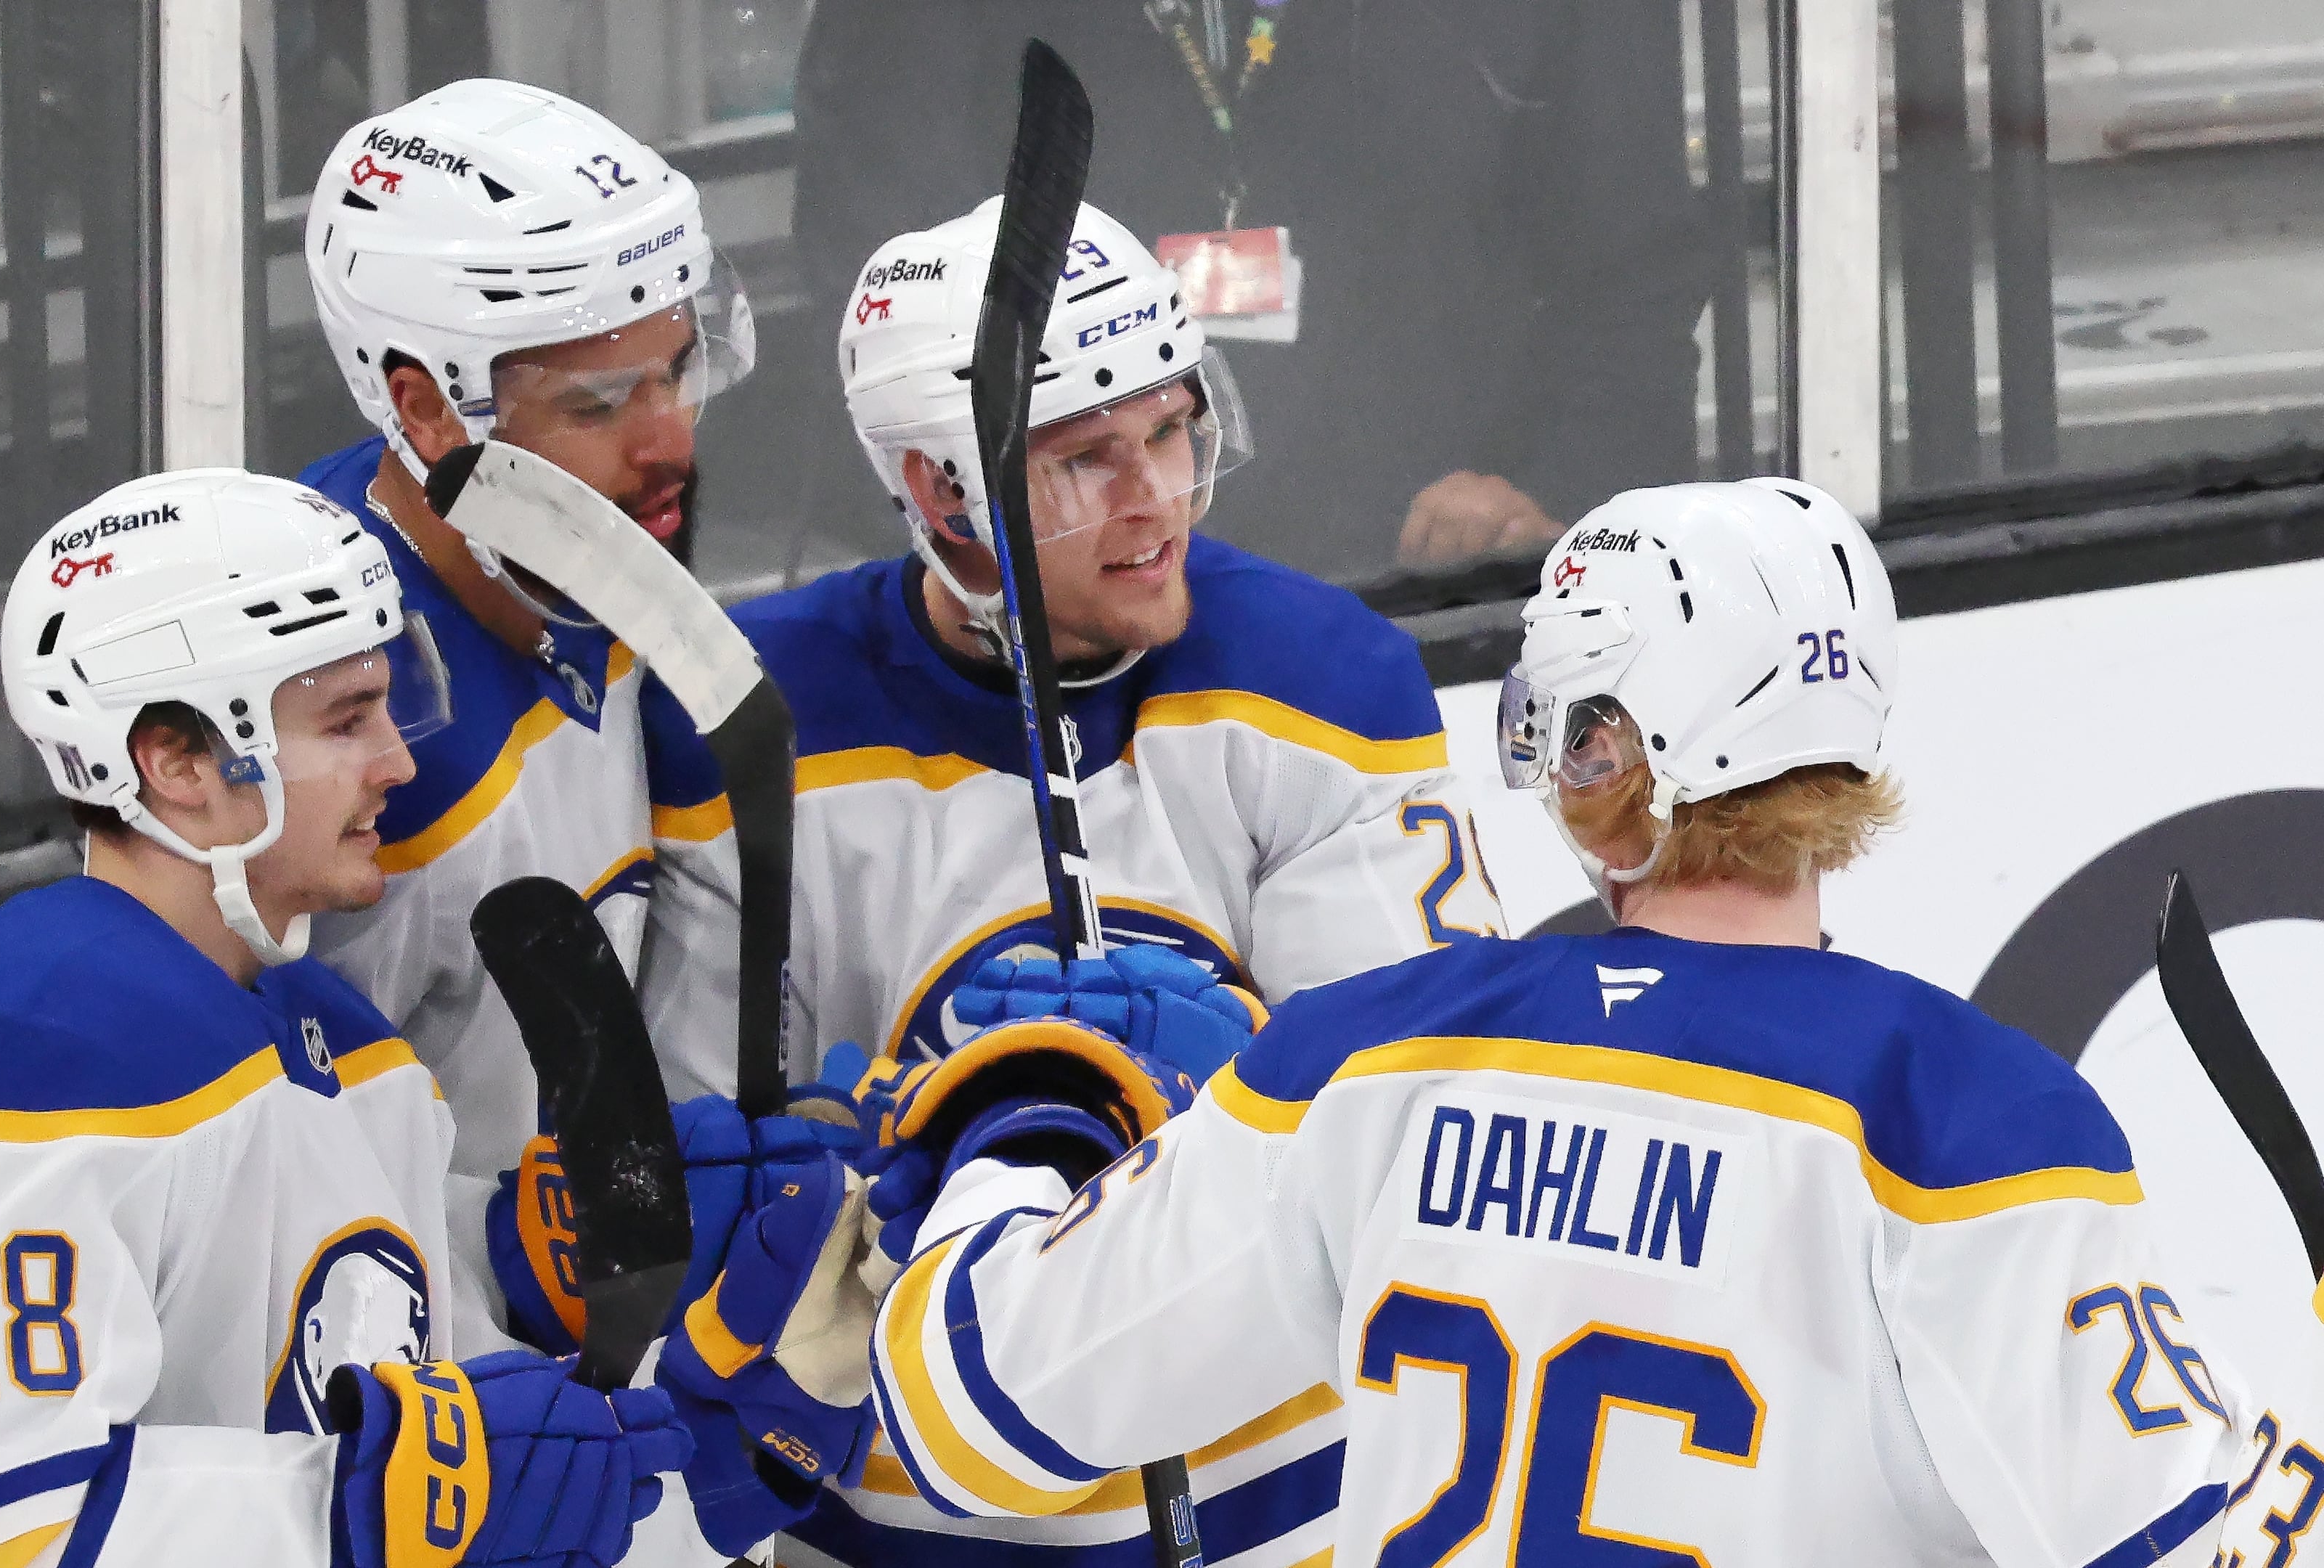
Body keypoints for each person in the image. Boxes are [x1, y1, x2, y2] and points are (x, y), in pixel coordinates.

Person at [847, 478, 2258, 1561]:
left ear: (1624, 755)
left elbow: (972, 1406)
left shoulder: (1357, 1065)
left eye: (1571, 726)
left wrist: (1018, 1133)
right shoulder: (1965, 1123)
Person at [640, 199, 1504, 1566]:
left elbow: (1432, 1133)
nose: (1156, 497)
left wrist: (1244, 1091)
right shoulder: (752, 717)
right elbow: (704, 1150)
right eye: (1087, 461)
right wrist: (867, 1153)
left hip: (1286, 1514)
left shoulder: (1322, 675)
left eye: (1170, 431)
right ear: (940, 494)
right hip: (901, 1525)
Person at [0, 469, 690, 1568]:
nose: (399, 763)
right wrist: (355, 1508)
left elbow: (364, 1384)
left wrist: (521, 1265)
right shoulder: (30, 1036)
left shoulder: (345, 1046)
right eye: (345, 721)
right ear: (176, 762)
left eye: (389, 703)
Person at [786, 0, 1705, 581]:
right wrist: (1022, 547)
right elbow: (879, 316)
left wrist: (1552, 498)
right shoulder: (905, 24)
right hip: (1069, 637)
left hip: (1439, 605)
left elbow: (1636, 272)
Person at [295, 78, 757, 1185]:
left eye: (680, 372)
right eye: (598, 404)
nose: (670, 448)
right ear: (424, 408)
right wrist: (515, 1270)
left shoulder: (598, 573)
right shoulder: (332, 738)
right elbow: (297, 1215)